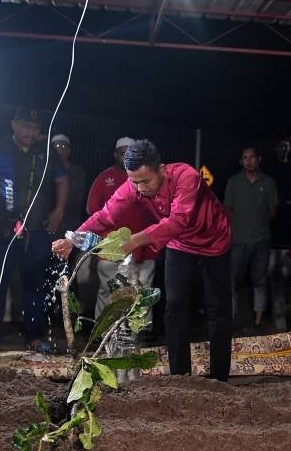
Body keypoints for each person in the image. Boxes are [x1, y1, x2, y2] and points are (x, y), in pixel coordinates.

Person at [52, 139, 233, 381]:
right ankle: (180, 377)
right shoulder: (133, 186)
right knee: (175, 308)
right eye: (134, 181)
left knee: (217, 310)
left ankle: (219, 378)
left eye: (145, 181)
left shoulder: (185, 176)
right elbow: (106, 215)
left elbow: (179, 221)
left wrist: (135, 241)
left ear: (161, 169)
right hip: (180, 244)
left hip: (215, 242)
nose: (140, 188)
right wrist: (73, 238)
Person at [0, 107, 69, 351]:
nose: (30, 132)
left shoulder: (46, 153)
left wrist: (58, 210)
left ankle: (34, 336)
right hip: (4, 227)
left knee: (35, 283)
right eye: (25, 126)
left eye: (35, 128)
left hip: (37, 230)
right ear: (14, 124)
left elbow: (62, 180)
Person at [85, 136, 157, 318]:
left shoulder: (148, 176)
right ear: (115, 154)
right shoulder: (104, 178)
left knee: (142, 290)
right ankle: (102, 332)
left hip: (143, 246)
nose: (126, 157)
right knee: (108, 289)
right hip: (112, 245)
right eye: (122, 153)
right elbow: (93, 210)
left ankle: (141, 331)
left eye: (130, 153)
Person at [224, 146, 278, 326]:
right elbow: (227, 210)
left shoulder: (269, 182)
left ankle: (258, 319)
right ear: (241, 161)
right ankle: (231, 317)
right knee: (233, 281)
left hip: (262, 240)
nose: (249, 160)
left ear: (259, 159)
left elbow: (272, 211)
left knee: (259, 280)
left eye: (252, 157)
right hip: (238, 240)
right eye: (245, 157)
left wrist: (257, 222)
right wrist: (240, 224)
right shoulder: (233, 182)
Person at [51, 134, 87, 238]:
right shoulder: (45, 170)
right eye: (56, 147)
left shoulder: (78, 172)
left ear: (69, 150)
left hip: (70, 221)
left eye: (63, 147)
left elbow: (79, 197)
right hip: (48, 220)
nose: (60, 150)